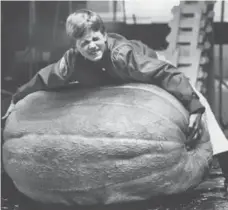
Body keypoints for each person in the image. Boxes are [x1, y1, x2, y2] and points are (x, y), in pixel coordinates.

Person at [2, 9, 227, 189]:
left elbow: (165, 74)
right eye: (84, 43)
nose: (91, 46)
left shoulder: (123, 56)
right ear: (75, 46)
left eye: (95, 39)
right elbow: (43, 78)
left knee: (200, 104)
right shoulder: (70, 63)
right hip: (116, 79)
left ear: (104, 35)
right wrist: (18, 97)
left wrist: (195, 107)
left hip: (152, 69)